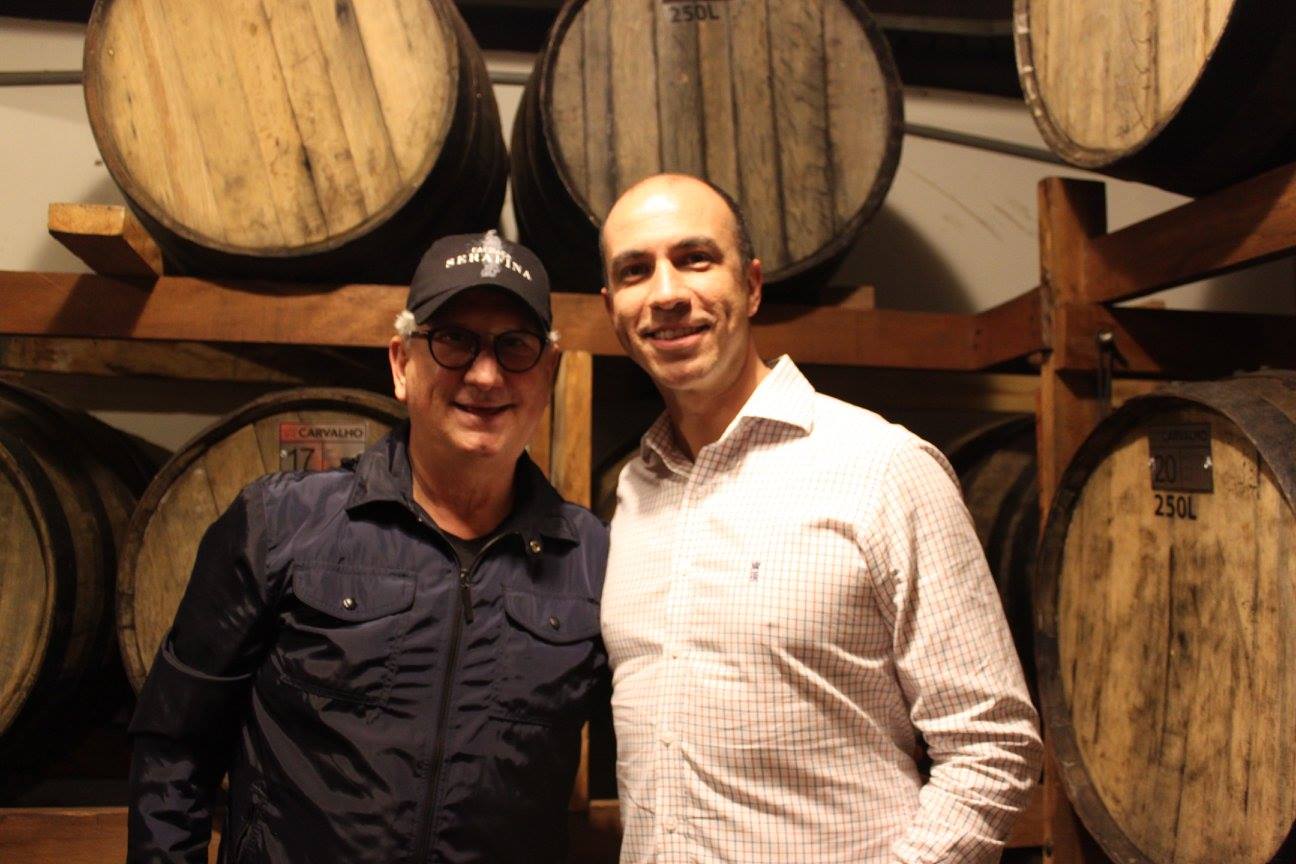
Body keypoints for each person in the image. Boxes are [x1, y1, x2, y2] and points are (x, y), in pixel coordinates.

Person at [598, 174, 1042, 863]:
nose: (666, 293)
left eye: (695, 259)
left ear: (750, 285)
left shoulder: (883, 467)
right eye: (635, 270)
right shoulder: (633, 489)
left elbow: (992, 746)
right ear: (611, 307)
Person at [127, 232, 609, 863]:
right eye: (454, 340)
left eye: (515, 345)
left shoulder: (592, 560)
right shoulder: (280, 522)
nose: (486, 374)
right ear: (402, 364)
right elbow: (174, 749)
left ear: (547, 374)